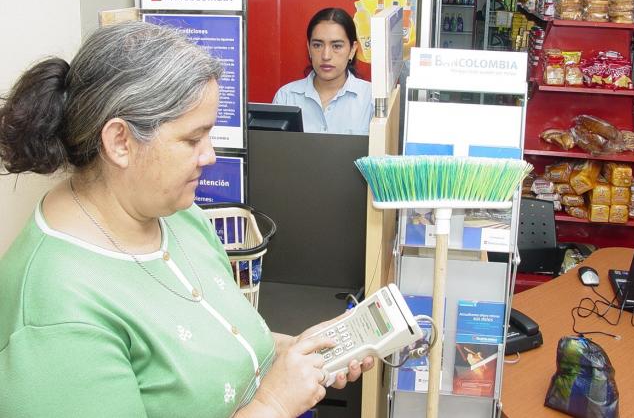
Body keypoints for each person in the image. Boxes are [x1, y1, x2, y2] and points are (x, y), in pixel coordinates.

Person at [0, 21, 373, 417]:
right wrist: (276, 403)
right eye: (193, 139)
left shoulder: (178, 214)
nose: (209, 155)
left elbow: (223, 339)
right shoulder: (55, 313)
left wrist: (295, 351)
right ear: (120, 141)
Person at [273, 7, 373, 135]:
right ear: (309, 48)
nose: (326, 56)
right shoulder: (286, 97)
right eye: (318, 45)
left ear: (352, 50)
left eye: (337, 46)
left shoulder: (371, 99)